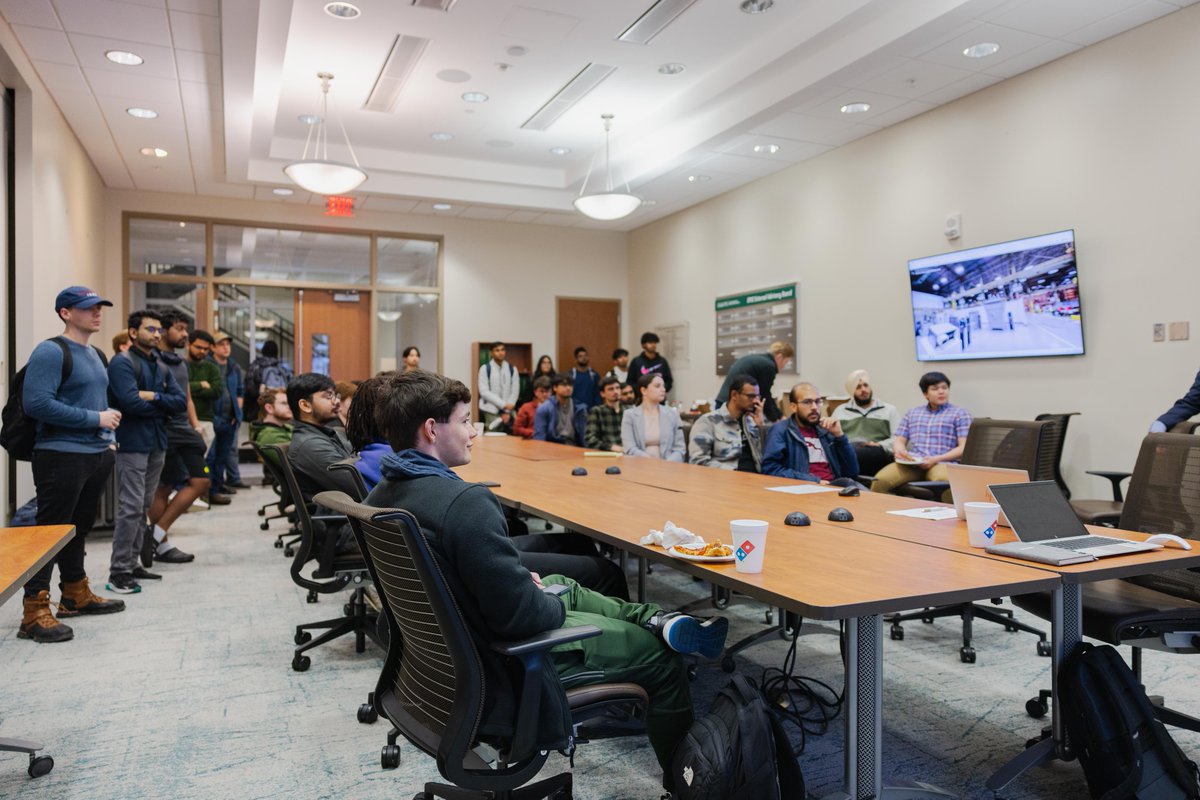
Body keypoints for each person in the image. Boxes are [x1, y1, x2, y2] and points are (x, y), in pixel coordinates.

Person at [363, 370, 727, 794]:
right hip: (504, 667)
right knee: (661, 657)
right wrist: (539, 599)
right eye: (465, 421)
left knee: (559, 582)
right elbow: (523, 617)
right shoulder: (464, 503)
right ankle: (687, 786)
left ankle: (655, 618)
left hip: (443, 665)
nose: (474, 432)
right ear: (431, 429)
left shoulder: (382, 496)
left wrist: (529, 587)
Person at [17, 286, 126, 642]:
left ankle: (75, 592)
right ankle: (33, 611)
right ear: (66, 312)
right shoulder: (51, 351)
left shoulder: (95, 353)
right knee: (50, 533)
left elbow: (97, 400)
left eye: (99, 307)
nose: (97, 313)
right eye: (88, 308)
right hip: (60, 454)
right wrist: (95, 419)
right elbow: (37, 404)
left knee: (78, 528)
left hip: (96, 454)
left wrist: (108, 438)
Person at [106, 309, 187, 595]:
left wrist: (154, 396)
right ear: (133, 332)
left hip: (157, 442)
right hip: (132, 442)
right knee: (130, 506)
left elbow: (179, 402)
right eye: (149, 329)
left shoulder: (161, 365)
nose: (156, 334)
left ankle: (133, 563)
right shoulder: (122, 362)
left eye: (158, 330)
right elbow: (129, 403)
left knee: (142, 505)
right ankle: (119, 571)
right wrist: (162, 405)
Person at [145, 309, 205, 567]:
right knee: (163, 487)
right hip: (164, 430)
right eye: (179, 329)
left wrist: (196, 425)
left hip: (184, 430)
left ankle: (154, 536)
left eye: (185, 329)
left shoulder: (180, 362)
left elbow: (187, 398)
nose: (184, 334)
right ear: (164, 330)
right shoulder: (152, 360)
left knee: (201, 481)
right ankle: (163, 544)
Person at [871, 371, 972, 497]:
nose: (941, 392)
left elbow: (964, 448)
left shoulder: (960, 414)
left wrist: (936, 459)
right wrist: (900, 451)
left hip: (942, 463)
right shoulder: (913, 413)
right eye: (935, 389)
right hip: (913, 463)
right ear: (925, 394)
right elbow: (899, 440)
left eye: (944, 388)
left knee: (947, 483)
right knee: (880, 481)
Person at [762, 382, 860, 484]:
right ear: (793, 407)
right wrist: (815, 481)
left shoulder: (826, 430)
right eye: (807, 402)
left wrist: (840, 436)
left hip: (835, 486)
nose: (814, 407)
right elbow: (770, 469)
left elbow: (852, 472)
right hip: (803, 488)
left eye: (817, 401)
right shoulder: (781, 430)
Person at [688, 374, 764, 472]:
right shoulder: (708, 422)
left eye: (757, 396)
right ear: (734, 395)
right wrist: (735, 473)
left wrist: (760, 427)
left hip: (757, 477)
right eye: (750, 396)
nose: (755, 401)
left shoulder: (752, 422)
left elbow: (763, 459)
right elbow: (698, 462)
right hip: (726, 477)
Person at [833, 369, 902, 476]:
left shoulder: (889, 410)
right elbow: (832, 437)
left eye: (866, 385)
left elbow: (898, 439)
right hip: (850, 452)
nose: (864, 390)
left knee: (865, 453)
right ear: (852, 392)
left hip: (878, 453)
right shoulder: (840, 411)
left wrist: (879, 445)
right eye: (858, 387)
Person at [206, 331, 245, 501]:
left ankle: (218, 484)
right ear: (213, 348)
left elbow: (240, 391)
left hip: (230, 419)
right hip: (213, 418)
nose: (226, 347)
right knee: (211, 456)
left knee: (223, 456)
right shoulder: (207, 365)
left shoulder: (233, 367)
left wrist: (237, 411)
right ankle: (209, 490)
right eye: (221, 344)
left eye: (228, 344)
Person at [713, 341, 794, 423]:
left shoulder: (759, 360)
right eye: (786, 362)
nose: (783, 366)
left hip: (724, 402)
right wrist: (779, 418)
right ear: (780, 357)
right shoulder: (768, 366)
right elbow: (765, 396)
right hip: (732, 406)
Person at [622, 373, 685, 462]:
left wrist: (667, 464)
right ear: (644, 390)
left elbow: (680, 448)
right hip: (639, 464)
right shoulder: (630, 415)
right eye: (657, 386)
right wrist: (652, 463)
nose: (663, 389)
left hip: (669, 465)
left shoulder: (673, 414)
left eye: (663, 386)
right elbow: (630, 448)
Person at [186, 330, 223, 464]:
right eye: (198, 347)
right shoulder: (180, 365)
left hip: (205, 419)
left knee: (203, 462)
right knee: (184, 462)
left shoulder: (212, 368)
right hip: (183, 420)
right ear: (188, 345)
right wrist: (201, 384)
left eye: (206, 349)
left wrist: (190, 389)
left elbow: (216, 392)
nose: (202, 351)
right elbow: (178, 388)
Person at [244, 340, 292, 421]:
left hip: (258, 406)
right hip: (279, 405)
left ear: (263, 350)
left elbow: (249, 386)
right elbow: (290, 385)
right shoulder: (282, 368)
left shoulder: (256, 365)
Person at [533, 375, 586, 446]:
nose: (568, 388)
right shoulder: (544, 408)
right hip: (552, 447)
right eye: (564, 385)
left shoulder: (579, 408)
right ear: (555, 388)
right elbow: (539, 437)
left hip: (575, 447)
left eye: (570, 385)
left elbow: (583, 436)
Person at [477, 341, 519, 430]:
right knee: (493, 435)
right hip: (491, 410)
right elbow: (484, 392)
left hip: (509, 411)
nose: (500, 352)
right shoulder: (485, 369)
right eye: (497, 350)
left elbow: (515, 390)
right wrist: (503, 405)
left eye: (502, 350)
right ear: (491, 353)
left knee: (512, 435)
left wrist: (507, 409)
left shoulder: (512, 369)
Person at [249, 386, 293, 470]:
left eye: (289, 403)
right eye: (284, 403)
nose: (289, 406)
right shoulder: (269, 435)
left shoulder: (286, 427)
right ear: (269, 408)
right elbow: (297, 464)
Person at [584, 375, 624, 452]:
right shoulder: (597, 411)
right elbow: (589, 439)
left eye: (617, 388)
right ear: (602, 394)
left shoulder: (629, 410)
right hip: (608, 453)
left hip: (630, 452)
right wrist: (611, 447)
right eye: (610, 389)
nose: (615, 392)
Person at [627, 331, 672, 396]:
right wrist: (642, 391)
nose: (653, 345)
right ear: (643, 345)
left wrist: (660, 390)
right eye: (650, 342)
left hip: (659, 398)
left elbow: (669, 381)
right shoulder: (636, 361)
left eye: (655, 342)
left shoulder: (662, 361)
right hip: (641, 397)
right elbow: (630, 381)